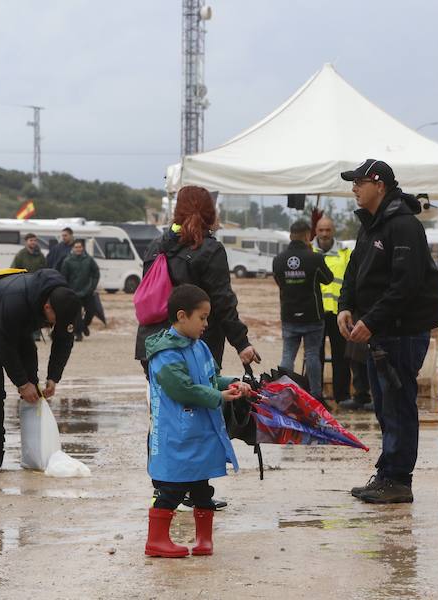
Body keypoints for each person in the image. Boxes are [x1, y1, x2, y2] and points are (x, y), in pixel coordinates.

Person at [337, 159, 438, 505]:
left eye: (359, 182)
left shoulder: (403, 226)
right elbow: (355, 271)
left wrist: (371, 320)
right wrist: (345, 305)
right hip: (380, 331)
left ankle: (400, 479)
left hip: (402, 331)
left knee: (398, 404)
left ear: (379, 185)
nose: (354, 189)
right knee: (385, 405)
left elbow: (406, 285)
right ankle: (388, 473)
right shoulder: (370, 225)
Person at [144, 284, 251, 558]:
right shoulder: (165, 354)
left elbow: (212, 379)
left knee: (202, 489)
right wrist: (220, 396)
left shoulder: (199, 347)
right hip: (177, 435)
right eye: (202, 317)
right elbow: (183, 389)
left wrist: (235, 384)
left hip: (199, 433)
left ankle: (205, 540)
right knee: (171, 489)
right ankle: (156, 541)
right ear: (182, 316)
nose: (206, 323)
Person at [135, 186, 260, 370]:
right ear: (210, 212)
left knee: (162, 398)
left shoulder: (156, 245)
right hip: (196, 347)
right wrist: (241, 343)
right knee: (199, 396)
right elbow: (222, 300)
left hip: (153, 343)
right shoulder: (210, 249)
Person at [0, 268, 80, 470]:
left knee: (33, 387)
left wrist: (54, 377)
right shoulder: (16, 301)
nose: (56, 325)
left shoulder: (64, 301)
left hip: (19, 326)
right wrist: (21, 383)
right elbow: (4, 346)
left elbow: (64, 340)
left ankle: (33, 448)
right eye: (56, 320)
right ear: (47, 308)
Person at [311, 217, 372, 410]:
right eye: (321, 230)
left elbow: (352, 280)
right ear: (316, 230)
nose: (324, 234)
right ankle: (315, 394)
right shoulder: (308, 252)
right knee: (315, 356)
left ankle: (342, 395)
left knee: (342, 356)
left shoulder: (345, 253)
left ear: (333, 230)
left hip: (340, 313)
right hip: (316, 313)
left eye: (328, 230)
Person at [273, 220, 332, 401]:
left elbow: (279, 282)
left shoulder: (278, 260)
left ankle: (284, 395)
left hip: (289, 315)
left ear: (291, 236)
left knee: (287, 355)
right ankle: (316, 396)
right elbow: (328, 279)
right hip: (312, 315)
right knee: (312, 354)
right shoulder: (315, 258)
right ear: (308, 236)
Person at [60, 239, 100, 340]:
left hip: (87, 291)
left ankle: (84, 326)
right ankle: (78, 334)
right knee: (76, 314)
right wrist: (67, 290)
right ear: (73, 248)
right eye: (76, 247)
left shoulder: (89, 259)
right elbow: (63, 277)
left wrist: (92, 286)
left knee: (91, 311)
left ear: (83, 248)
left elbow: (96, 273)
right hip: (73, 292)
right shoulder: (67, 261)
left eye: (80, 247)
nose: (78, 249)